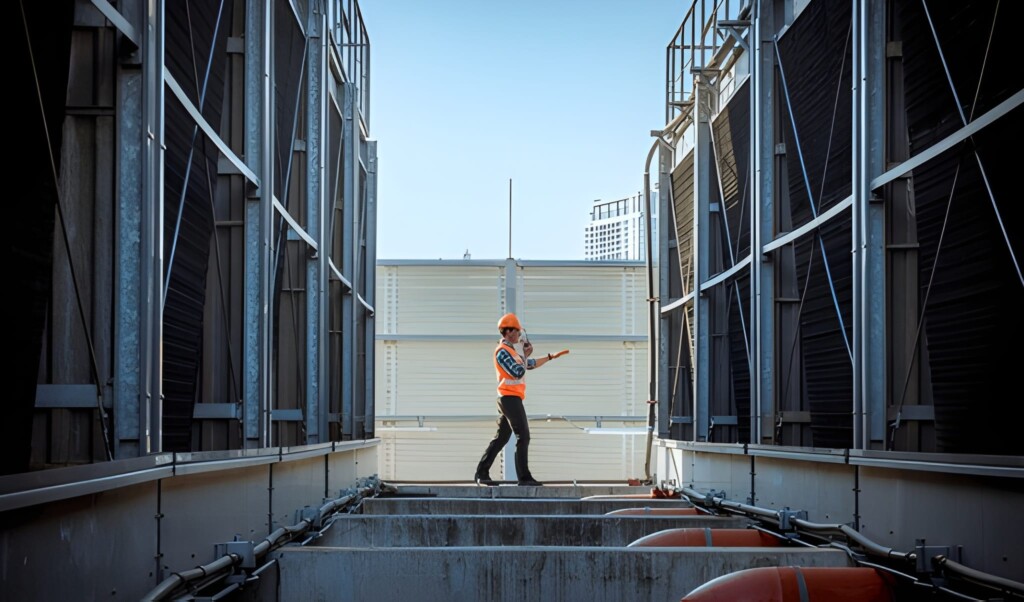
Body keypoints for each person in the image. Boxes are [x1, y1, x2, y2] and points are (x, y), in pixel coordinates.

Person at [474, 312, 563, 487]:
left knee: (502, 437)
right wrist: (525, 354)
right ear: (508, 332)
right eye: (517, 332)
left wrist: (550, 357)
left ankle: (482, 472)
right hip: (509, 398)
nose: (519, 335)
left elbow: (528, 365)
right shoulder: (502, 351)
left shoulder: (512, 352)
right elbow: (518, 371)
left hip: (511, 398)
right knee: (523, 436)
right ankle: (524, 477)